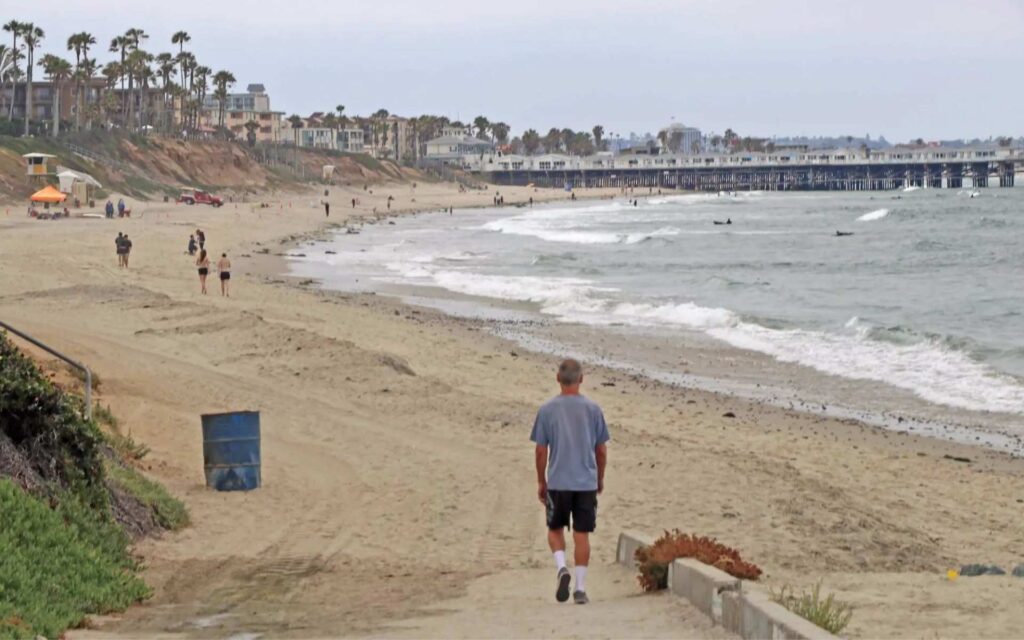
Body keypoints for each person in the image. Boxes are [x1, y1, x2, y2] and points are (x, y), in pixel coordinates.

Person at [530, 359, 609, 605]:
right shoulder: (593, 409)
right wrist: (599, 477)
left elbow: (541, 451)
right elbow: (602, 450)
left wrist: (541, 480)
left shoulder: (547, 410)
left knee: (554, 530)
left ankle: (562, 567)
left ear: (558, 378)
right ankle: (581, 588)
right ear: (581, 379)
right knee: (581, 534)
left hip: (558, 481)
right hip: (585, 481)